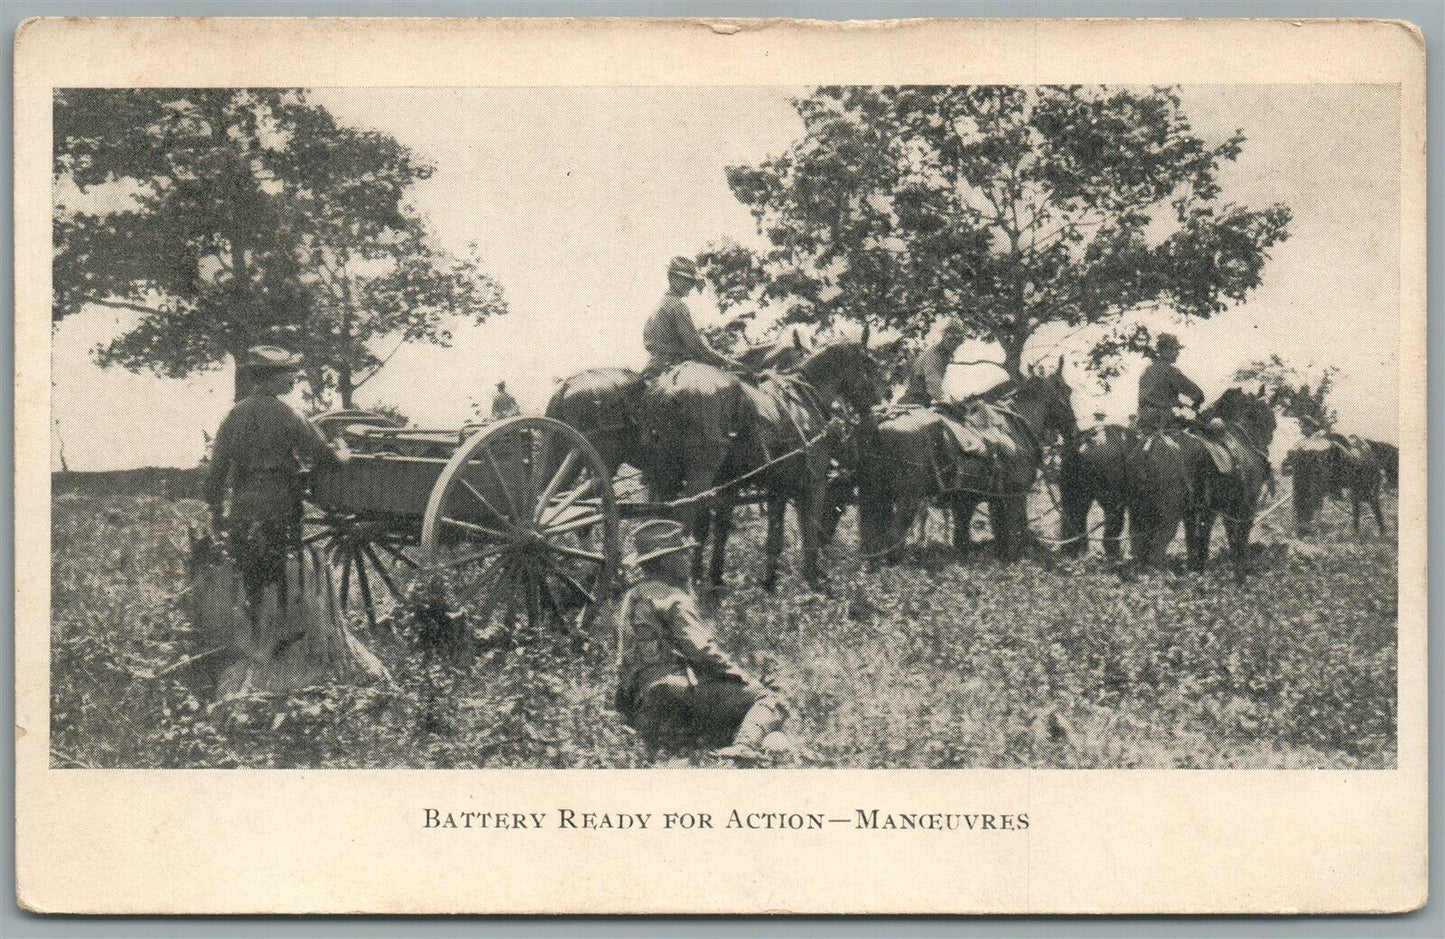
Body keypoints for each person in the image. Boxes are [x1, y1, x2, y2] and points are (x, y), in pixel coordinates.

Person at [613, 520, 793, 762]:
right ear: (666, 561)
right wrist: (742, 677)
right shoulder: (673, 597)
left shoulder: (632, 596)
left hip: (635, 697)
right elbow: (701, 650)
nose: (689, 560)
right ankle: (744, 747)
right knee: (769, 699)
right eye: (682, 555)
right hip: (670, 692)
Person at [205, 345, 347, 618]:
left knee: (248, 577)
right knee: (281, 575)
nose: (292, 379)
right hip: (280, 506)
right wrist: (343, 453)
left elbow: (217, 470)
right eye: (287, 373)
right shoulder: (288, 415)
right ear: (271, 377)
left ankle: (253, 638)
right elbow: (323, 455)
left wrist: (216, 509)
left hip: (243, 507)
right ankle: (280, 639)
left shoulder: (233, 416)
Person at [641, 256, 744, 378]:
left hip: (652, 369)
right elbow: (696, 347)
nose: (689, 285)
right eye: (684, 279)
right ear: (671, 278)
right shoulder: (677, 306)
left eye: (691, 281)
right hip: (674, 369)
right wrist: (726, 362)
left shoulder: (660, 305)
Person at [1137, 332, 1204, 433]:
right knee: (1207, 430)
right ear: (1164, 351)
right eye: (1174, 349)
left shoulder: (1146, 371)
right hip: (1166, 420)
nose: (1177, 353)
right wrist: (1195, 405)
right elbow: (1197, 393)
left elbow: (1149, 398)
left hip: (1144, 422)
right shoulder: (1171, 371)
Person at [899, 320, 966, 406]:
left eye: (957, 340)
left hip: (924, 402)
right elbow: (933, 384)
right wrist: (948, 402)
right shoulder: (935, 354)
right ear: (944, 337)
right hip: (914, 402)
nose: (953, 343)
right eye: (950, 339)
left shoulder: (946, 355)